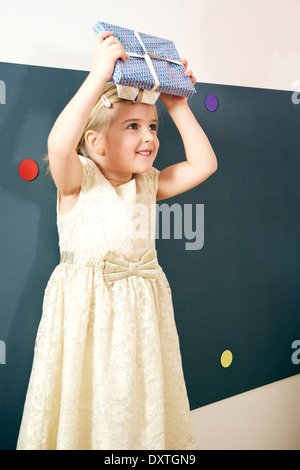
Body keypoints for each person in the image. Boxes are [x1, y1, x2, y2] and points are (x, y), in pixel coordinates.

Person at [17, 30, 217, 450]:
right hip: (87, 318)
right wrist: (98, 76)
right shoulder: (77, 181)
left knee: (135, 410)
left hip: (140, 319)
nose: (148, 137)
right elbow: (59, 144)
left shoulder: (148, 183)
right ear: (95, 143)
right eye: (132, 126)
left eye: (152, 126)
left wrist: (177, 106)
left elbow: (204, 164)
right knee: (88, 406)